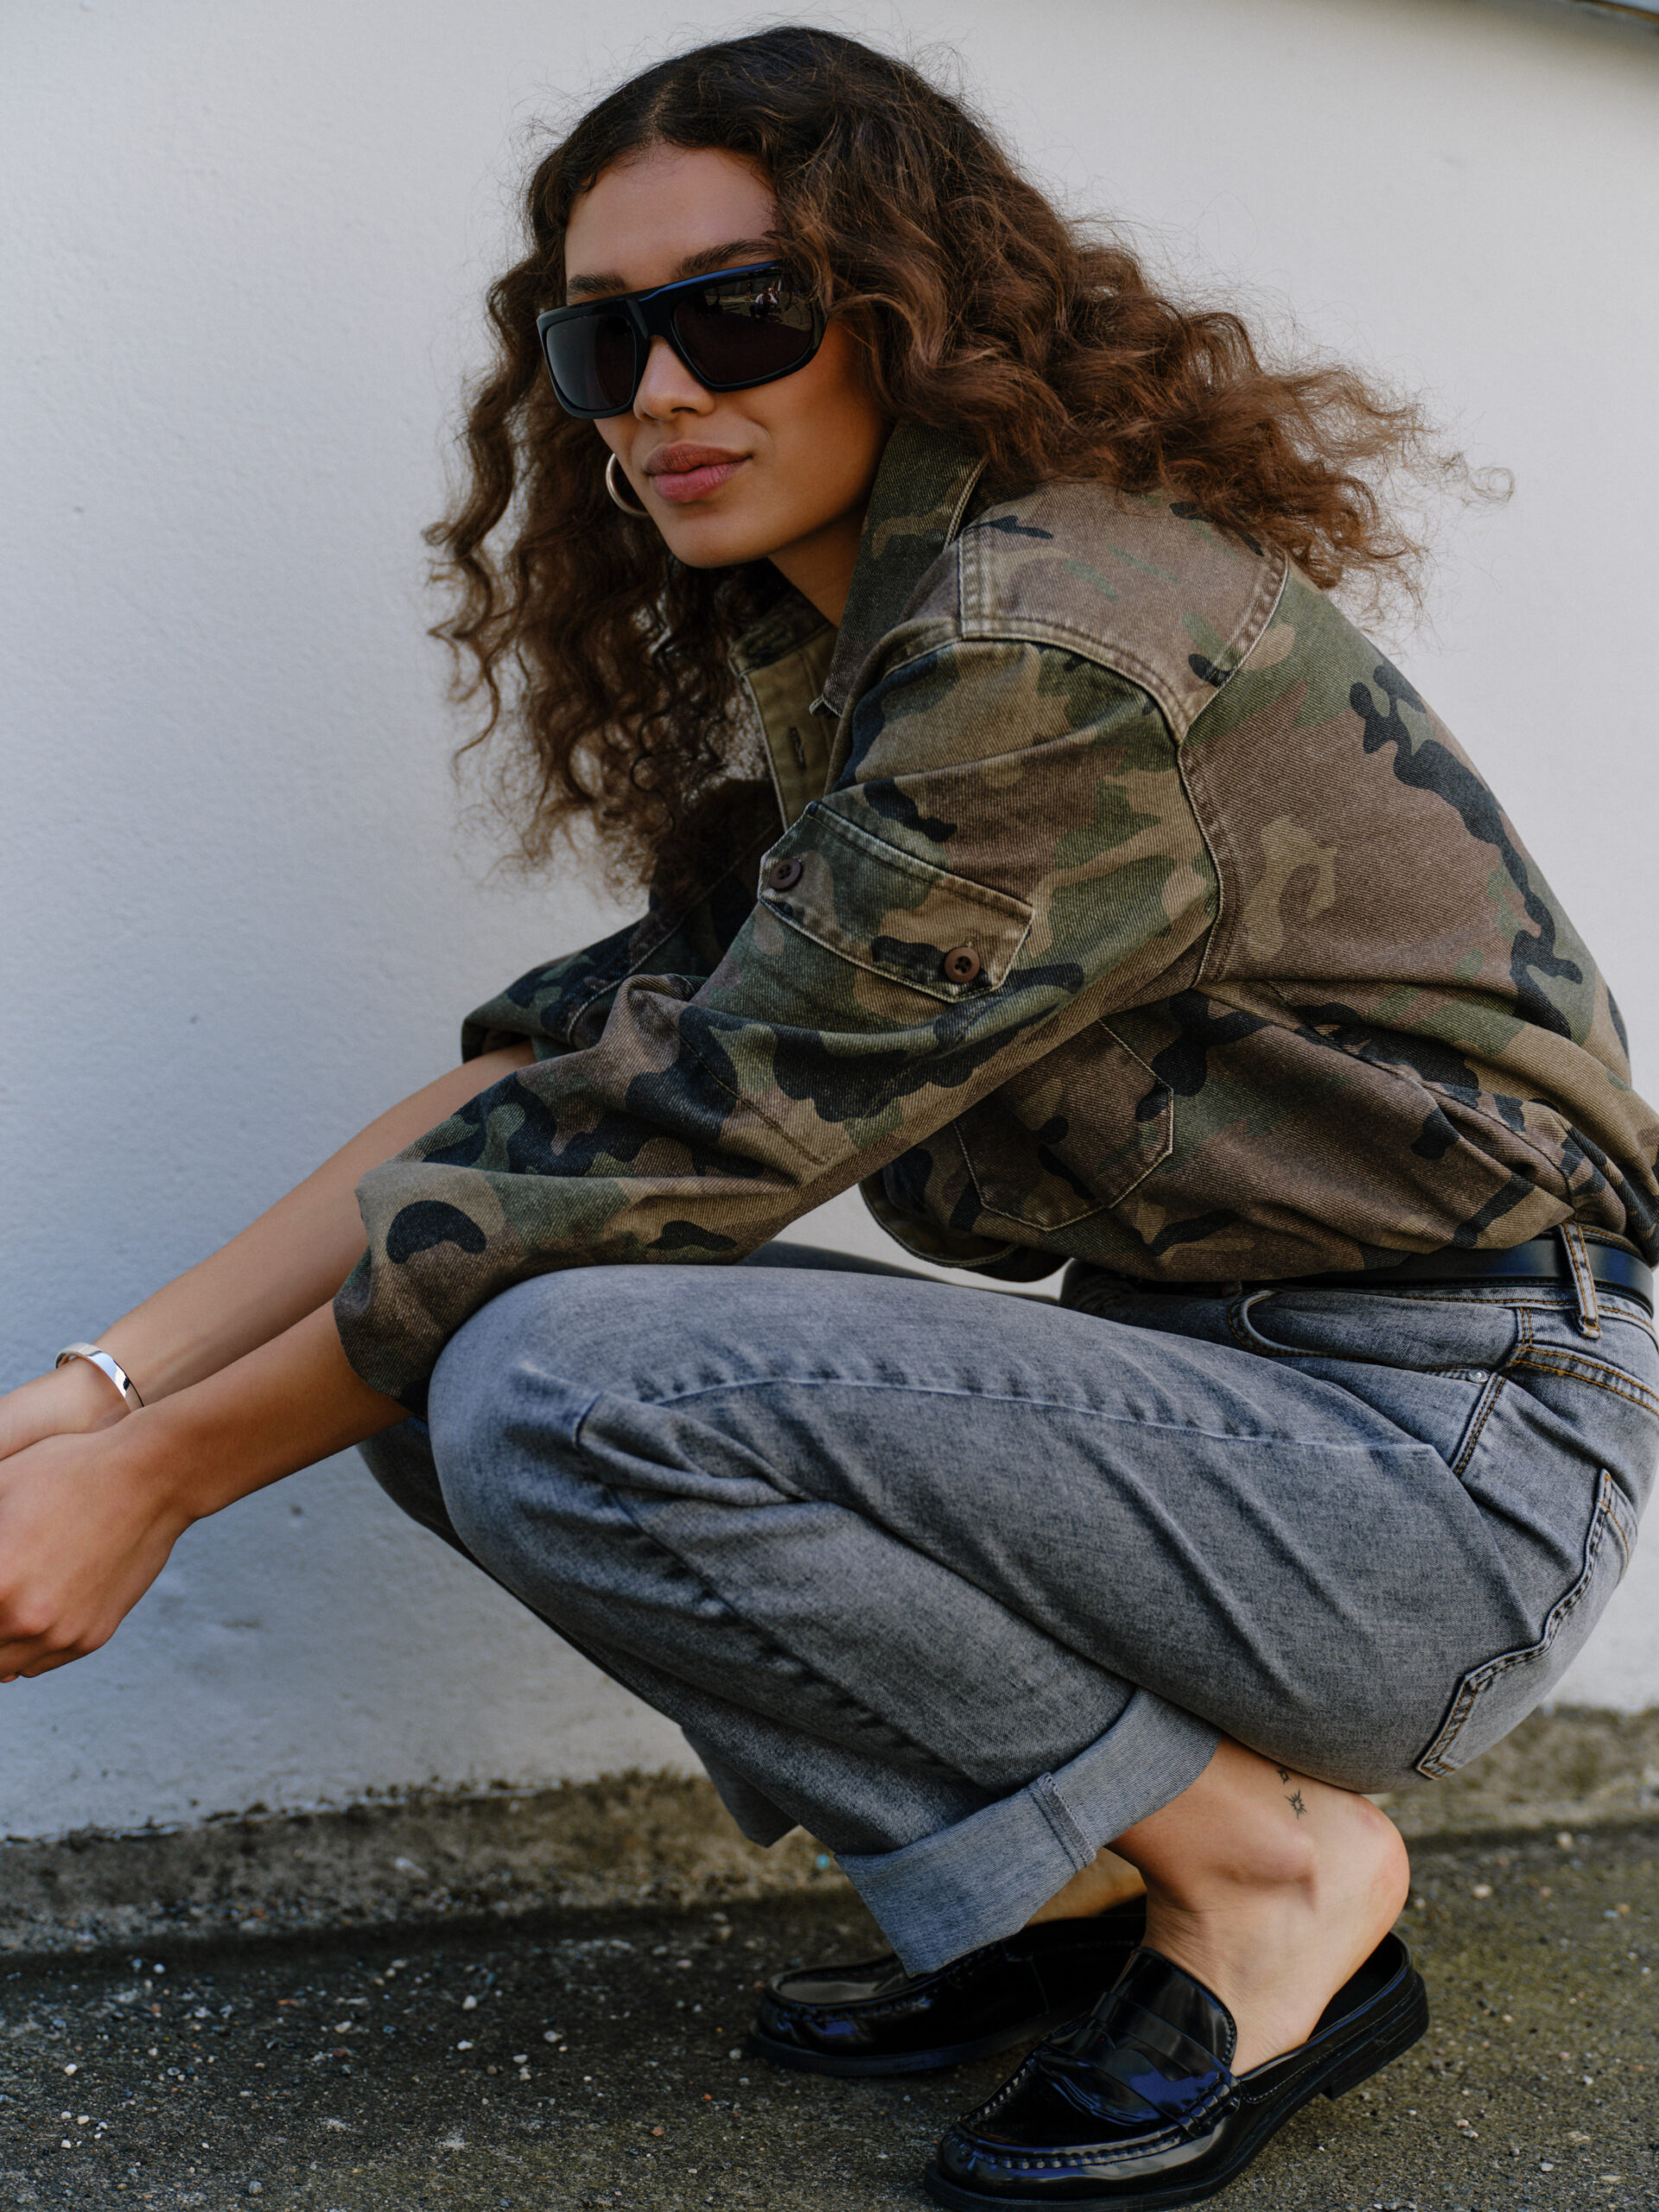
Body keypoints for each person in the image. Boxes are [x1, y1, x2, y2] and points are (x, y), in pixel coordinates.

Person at [3, 26, 1655, 2209]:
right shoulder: (867, 649)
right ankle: (1085, 1887)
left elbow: (685, 1147)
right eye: (605, 340)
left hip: (1440, 1470)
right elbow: (549, 1086)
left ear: (912, 309)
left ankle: (1271, 1878)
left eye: (742, 311)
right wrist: (93, 1396)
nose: (662, 390)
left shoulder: (1051, 644)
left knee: (545, 1369)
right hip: (1246, 1421)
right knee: (438, 1360)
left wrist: (157, 1485)